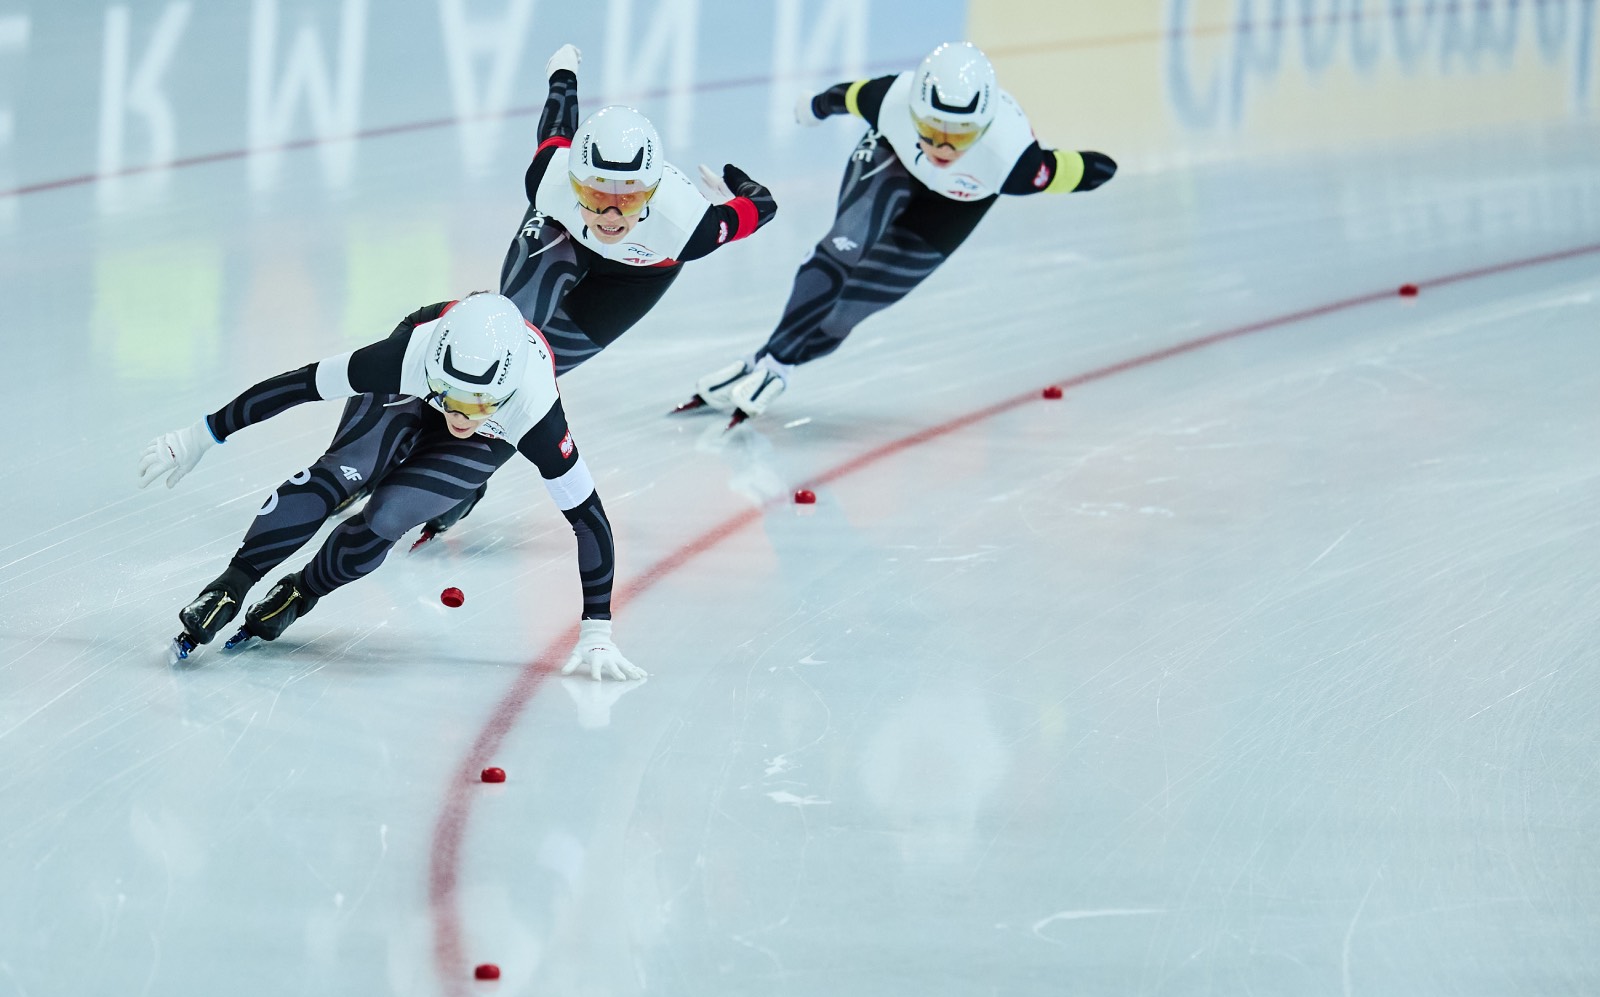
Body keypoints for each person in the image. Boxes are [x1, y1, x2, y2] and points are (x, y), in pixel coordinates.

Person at [138, 292, 645, 680]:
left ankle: (303, 591)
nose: (461, 415)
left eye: (479, 406)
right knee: (342, 472)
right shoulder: (409, 355)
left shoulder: (533, 410)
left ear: (507, 396)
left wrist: (598, 628)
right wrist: (202, 435)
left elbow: (588, 518)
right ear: (434, 373)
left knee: (389, 514)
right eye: (451, 398)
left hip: (481, 416)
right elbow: (299, 384)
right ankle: (230, 585)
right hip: (411, 388)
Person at [416, 42, 777, 541]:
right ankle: (407, 438)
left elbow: (762, 210)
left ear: (652, 191)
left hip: (636, 277)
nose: (610, 216)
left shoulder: (687, 223)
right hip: (562, 233)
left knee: (530, 375)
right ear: (574, 181)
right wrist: (562, 71)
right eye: (596, 194)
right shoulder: (551, 180)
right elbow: (558, 121)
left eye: (627, 199)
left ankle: (461, 481)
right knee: (507, 341)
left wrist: (746, 190)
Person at [679, 41, 1117, 427]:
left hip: (955, 205)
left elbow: (1075, 171)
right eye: (931, 130)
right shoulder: (891, 97)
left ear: (984, 128)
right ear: (914, 112)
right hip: (891, 159)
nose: (943, 148)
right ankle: (774, 363)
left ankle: (771, 363)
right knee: (841, 250)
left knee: (847, 312)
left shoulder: (1014, 160)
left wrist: (1099, 166)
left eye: (960, 135)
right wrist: (812, 107)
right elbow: (843, 96)